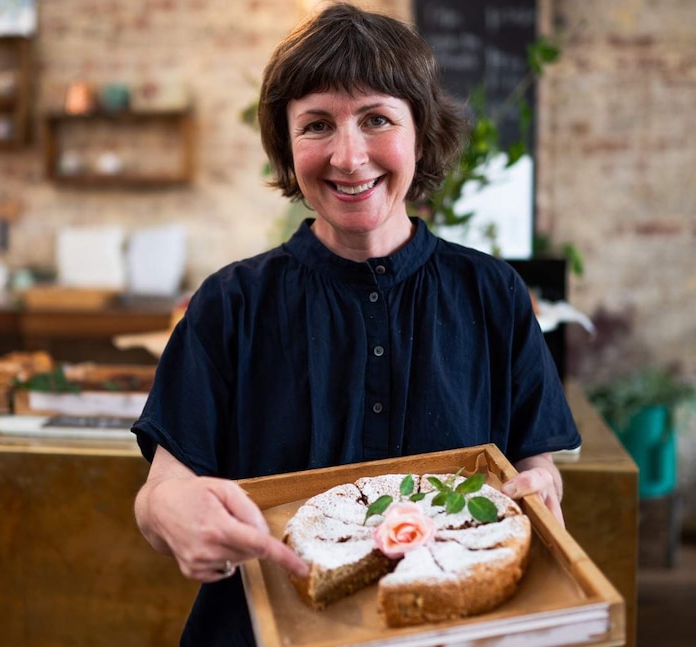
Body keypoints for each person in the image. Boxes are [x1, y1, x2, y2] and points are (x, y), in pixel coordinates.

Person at [132, 4, 581, 646]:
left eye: (376, 119)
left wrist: (541, 489)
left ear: (419, 133)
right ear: (286, 147)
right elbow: (159, 494)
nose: (349, 157)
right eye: (317, 124)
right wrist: (172, 511)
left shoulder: (493, 294)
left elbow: (537, 470)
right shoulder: (230, 303)